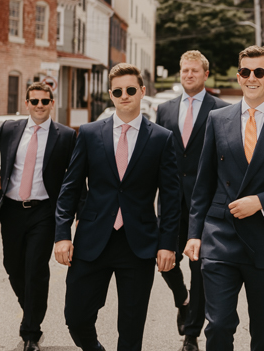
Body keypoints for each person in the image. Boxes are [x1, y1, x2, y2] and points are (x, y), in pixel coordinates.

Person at [184, 46, 264, 351]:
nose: (251, 78)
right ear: (239, 76)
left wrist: (261, 202)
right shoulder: (218, 119)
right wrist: (194, 234)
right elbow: (203, 185)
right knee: (217, 326)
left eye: (259, 72)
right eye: (245, 72)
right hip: (220, 238)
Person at [54, 63, 181, 351]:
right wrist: (62, 234)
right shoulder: (88, 133)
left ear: (142, 92)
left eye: (131, 90)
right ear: (111, 95)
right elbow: (70, 188)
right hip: (91, 240)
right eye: (118, 91)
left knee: (131, 328)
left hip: (138, 244)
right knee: (75, 317)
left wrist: (168, 244)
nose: (125, 95)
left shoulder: (161, 138)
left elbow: (171, 199)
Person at [0, 82, 76, 351]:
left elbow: (76, 177)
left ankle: (31, 332)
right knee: (13, 267)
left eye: (44, 101)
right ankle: (31, 308)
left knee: (35, 272)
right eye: (34, 101)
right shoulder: (10, 129)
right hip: (12, 210)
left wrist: (76, 213)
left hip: (44, 211)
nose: (39, 105)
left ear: (52, 103)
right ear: (26, 104)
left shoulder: (65, 136)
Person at [155, 50, 229, 351]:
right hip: (171, 200)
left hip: (204, 203)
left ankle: (192, 334)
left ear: (205, 74)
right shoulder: (164, 110)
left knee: (200, 270)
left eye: (194, 71)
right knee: (162, 259)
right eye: (184, 70)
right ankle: (181, 298)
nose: (188, 75)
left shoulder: (221, 110)